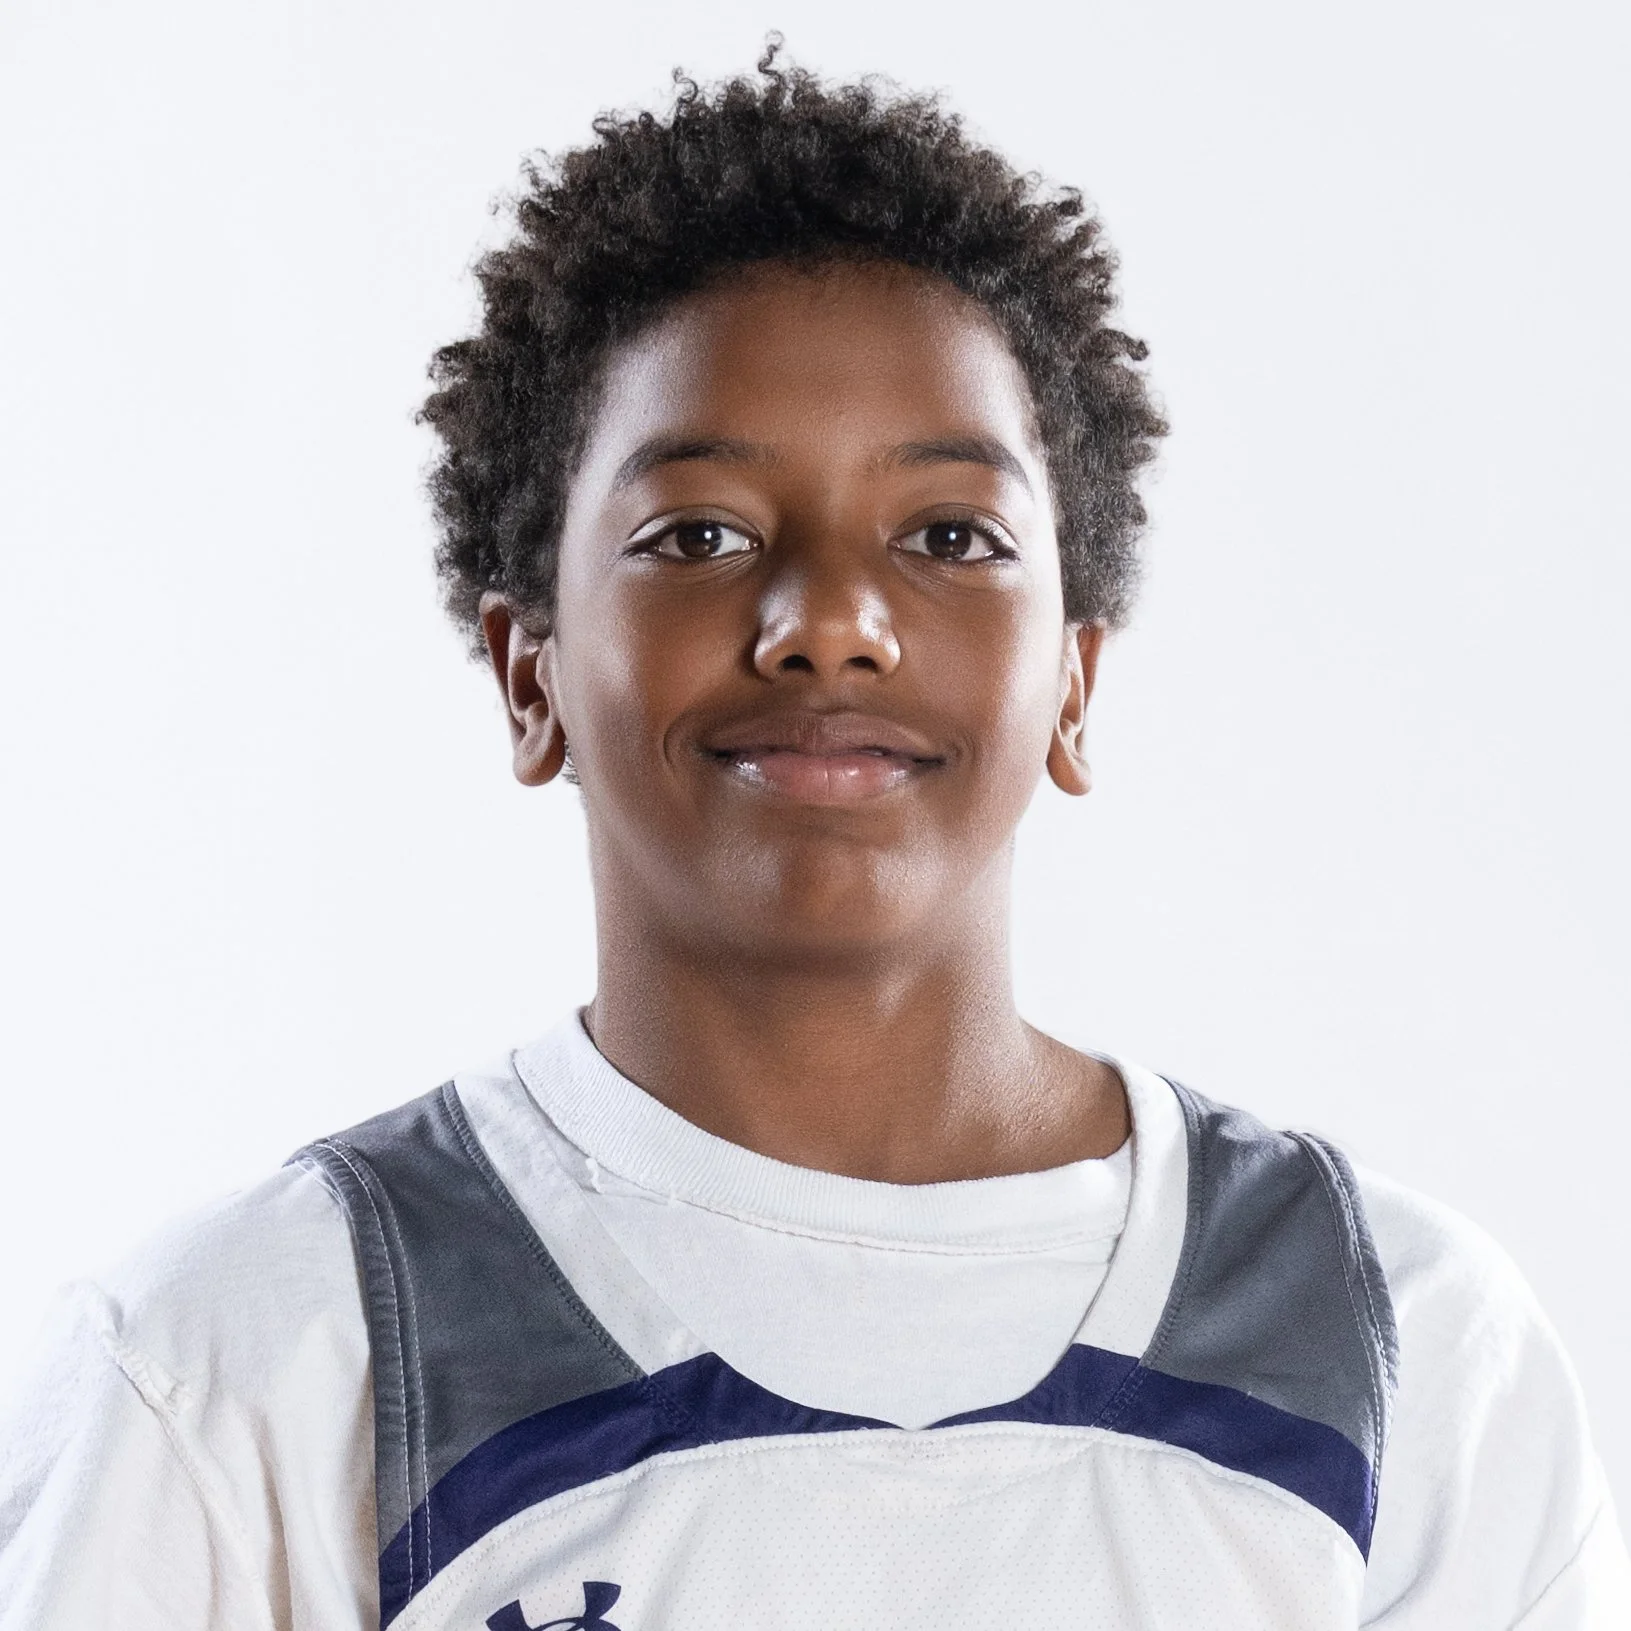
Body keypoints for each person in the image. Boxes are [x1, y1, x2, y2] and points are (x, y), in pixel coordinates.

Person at [1, 50, 1625, 1631]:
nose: (831, 621)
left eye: (949, 535)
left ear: (1072, 680)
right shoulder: (236, 1362)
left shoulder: (1404, 1343)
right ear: (528, 672)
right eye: (697, 532)